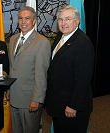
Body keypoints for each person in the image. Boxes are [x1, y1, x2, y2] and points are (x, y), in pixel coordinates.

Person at [45, 5, 94, 133]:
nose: (63, 23)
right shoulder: (60, 37)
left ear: (77, 21)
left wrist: (73, 105)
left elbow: (83, 78)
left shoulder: (83, 43)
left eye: (67, 19)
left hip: (72, 109)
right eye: (60, 19)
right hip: (59, 104)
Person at [7, 6, 51, 133]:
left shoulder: (42, 42)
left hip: (29, 99)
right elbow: (13, 66)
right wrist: (10, 88)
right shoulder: (13, 39)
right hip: (14, 96)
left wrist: (37, 99)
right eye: (20, 18)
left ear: (34, 21)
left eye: (27, 18)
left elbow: (41, 74)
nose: (23, 21)